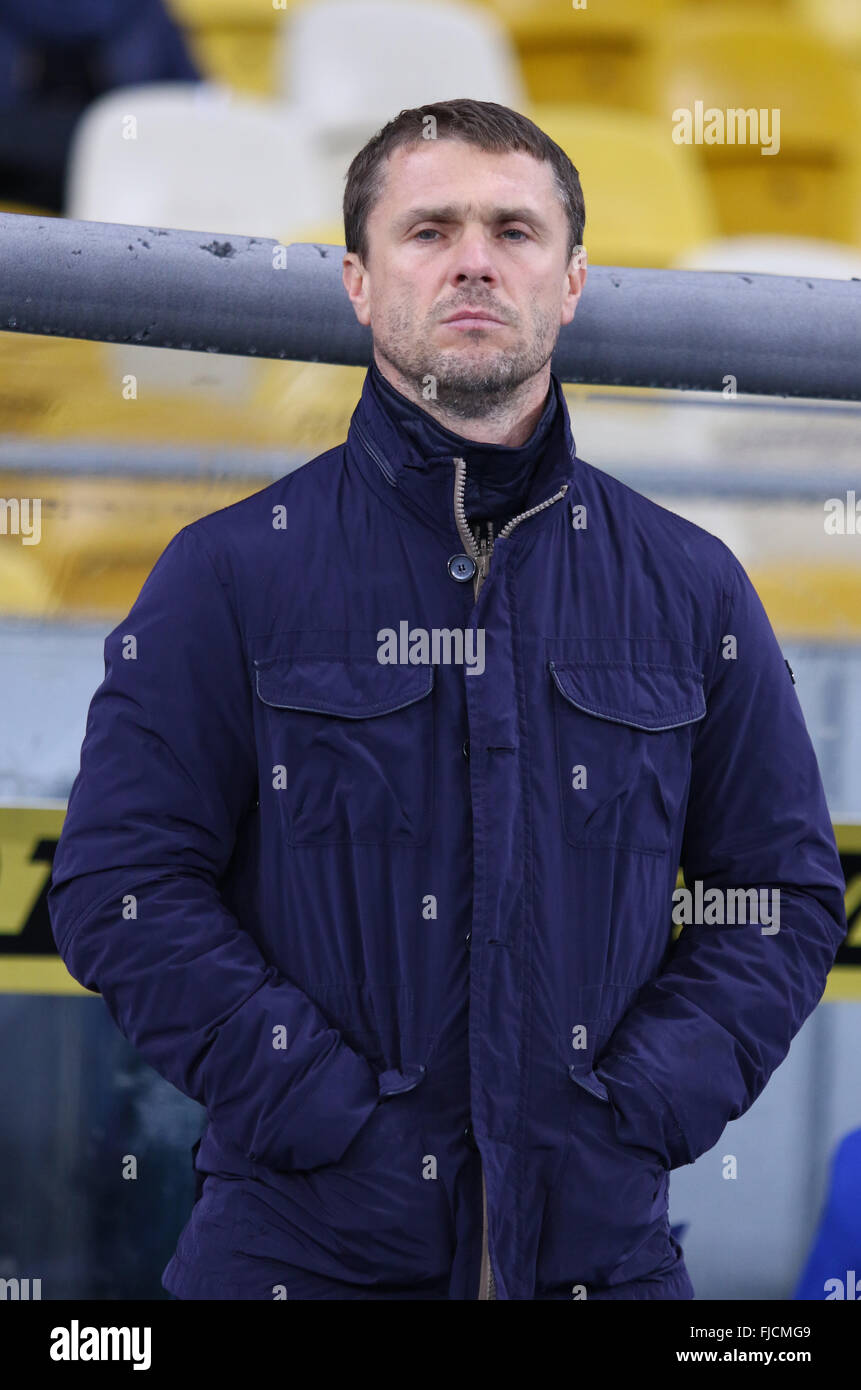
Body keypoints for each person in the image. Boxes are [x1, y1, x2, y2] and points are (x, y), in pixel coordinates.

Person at [47, 98, 847, 1301]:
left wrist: (636, 1109)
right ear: (361, 283)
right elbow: (121, 882)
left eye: (514, 230)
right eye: (429, 229)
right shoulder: (231, 572)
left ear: (571, 281)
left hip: (604, 1262)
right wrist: (317, 1106)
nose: (475, 258)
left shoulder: (691, 586)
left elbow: (781, 893)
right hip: (298, 1261)